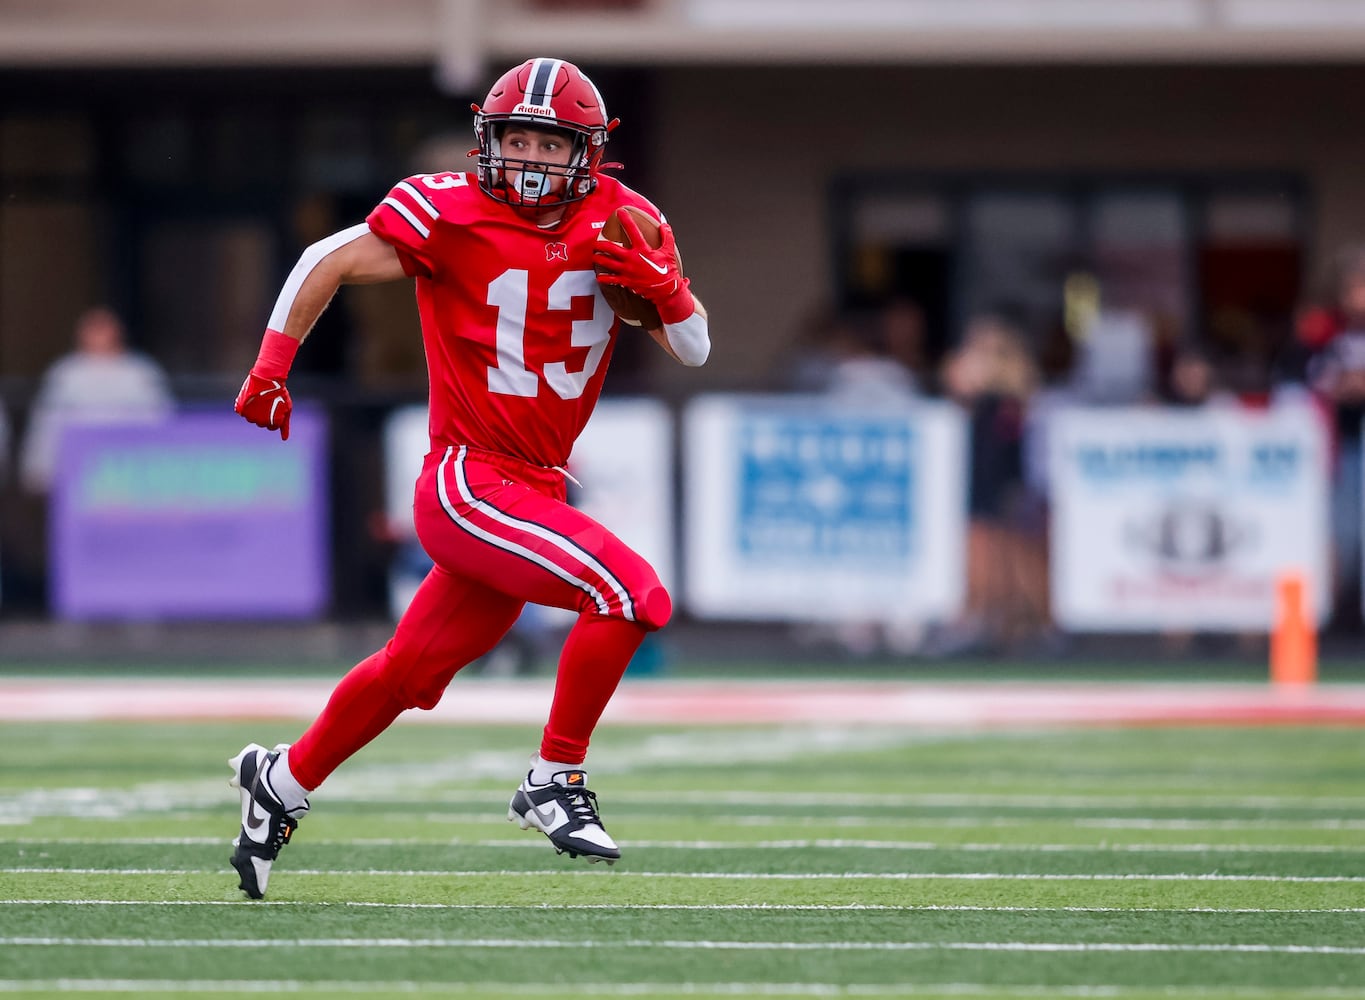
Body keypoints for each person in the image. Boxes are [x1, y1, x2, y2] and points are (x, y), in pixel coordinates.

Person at [226, 57, 710, 899]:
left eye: (547, 143)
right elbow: (325, 258)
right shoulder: (446, 208)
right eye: (514, 139)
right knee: (631, 596)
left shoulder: (626, 218)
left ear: (587, 153)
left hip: (536, 485)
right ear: (488, 140)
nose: (526, 158)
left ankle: (280, 783)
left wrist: (667, 293)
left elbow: (696, 348)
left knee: (413, 673)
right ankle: (554, 779)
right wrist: (273, 366)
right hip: (467, 481)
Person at [19, 306, 174, 494]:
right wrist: (39, 468)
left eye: (104, 328)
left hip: (128, 469)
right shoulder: (65, 373)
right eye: (93, 329)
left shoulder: (140, 372)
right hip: (76, 471)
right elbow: (48, 424)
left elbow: (160, 419)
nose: (99, 335)